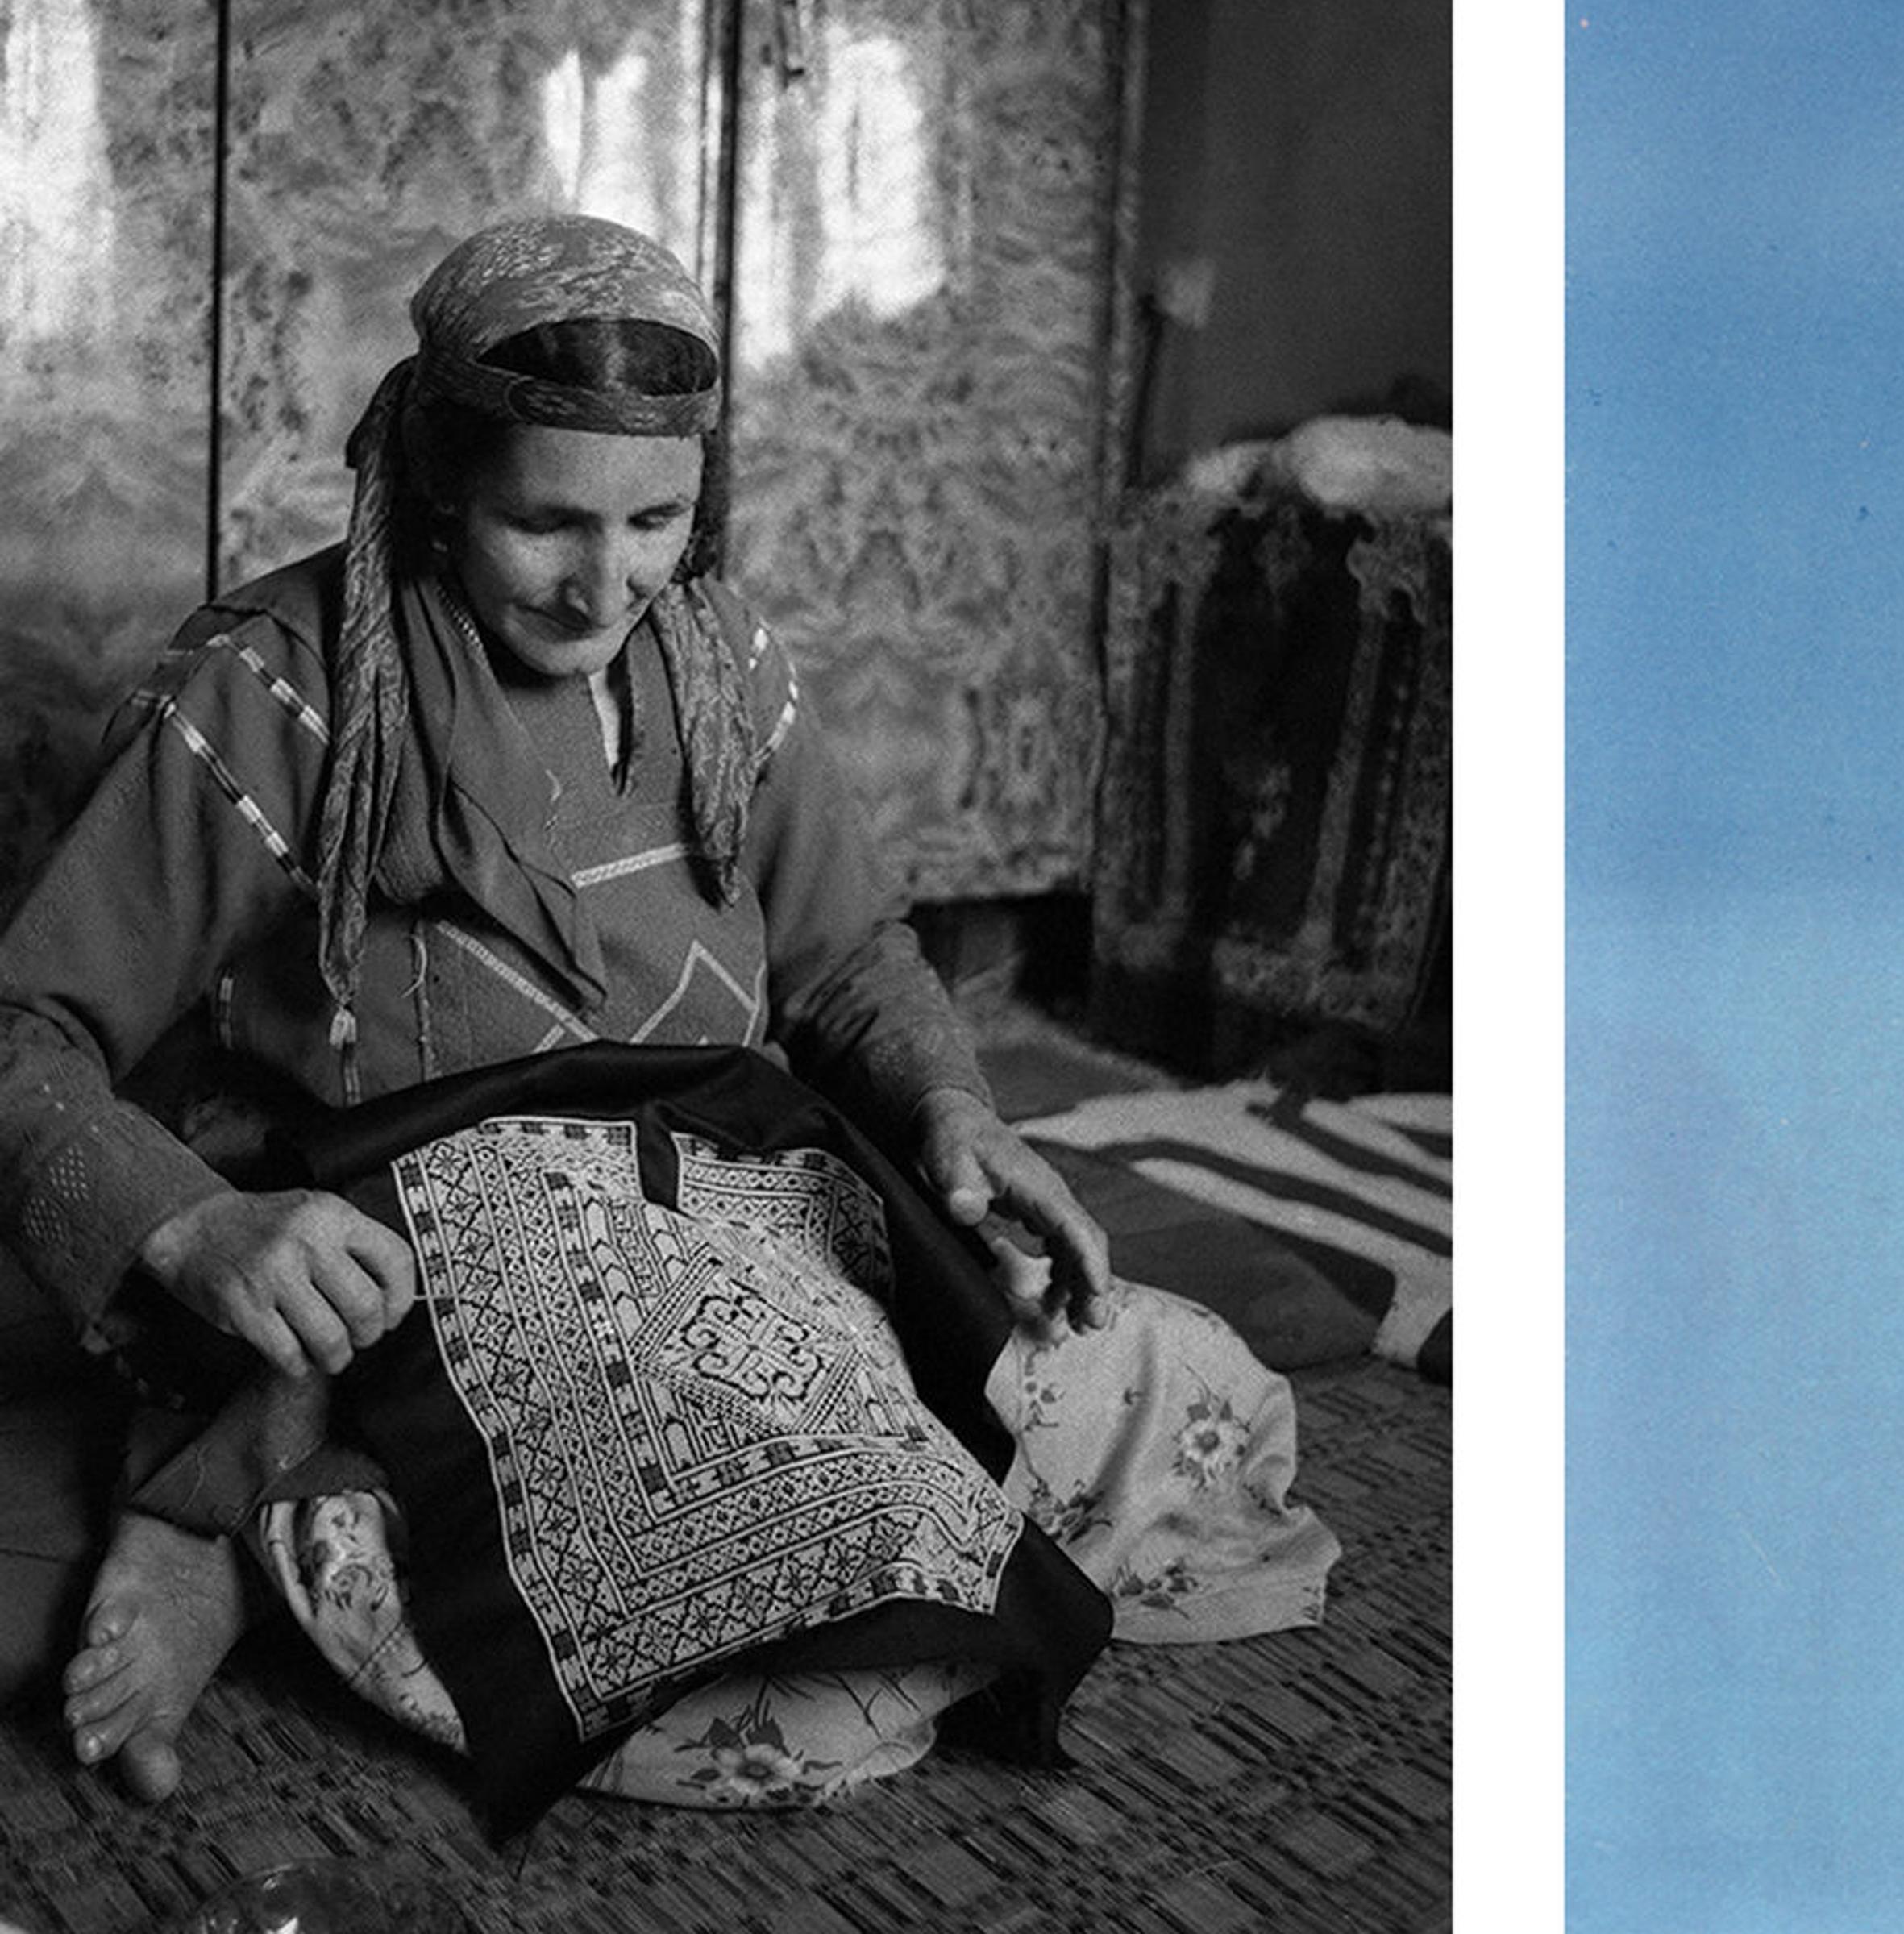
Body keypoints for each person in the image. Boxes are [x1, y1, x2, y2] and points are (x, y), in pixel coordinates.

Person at [0, 214, 1328, 1803]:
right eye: (544, 524)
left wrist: (956, 1113)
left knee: (1177, 1407)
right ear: (433, 477)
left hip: (726, 1203)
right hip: (422, 1241)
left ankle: (264, 1499)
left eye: (657, 519)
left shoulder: (719, 655)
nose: (603, 581)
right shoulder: (277, 686)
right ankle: (244, 1481)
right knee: (809, 1665)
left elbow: (847, 955)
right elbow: (24, 1026)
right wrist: (195, 1226)